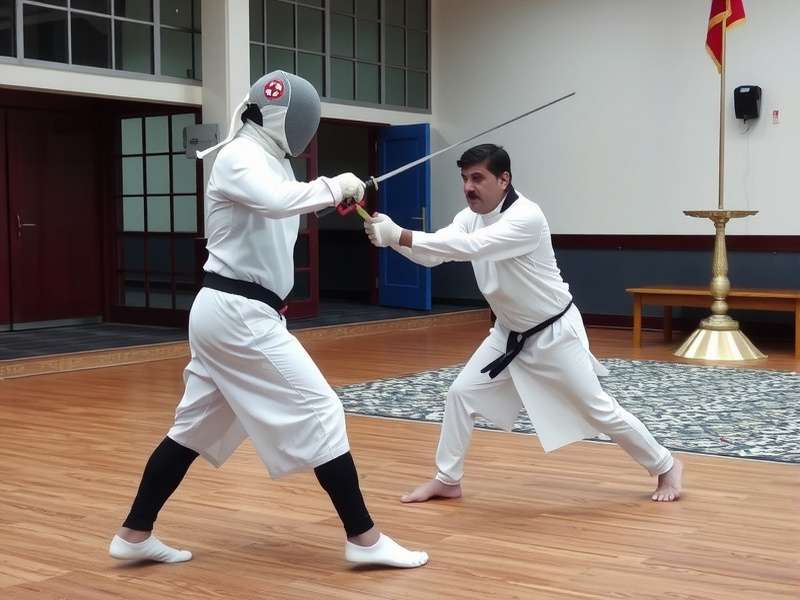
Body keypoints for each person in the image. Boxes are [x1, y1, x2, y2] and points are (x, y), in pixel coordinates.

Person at [108, 70, 428, 569]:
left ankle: (134, 534)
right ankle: (364, 539)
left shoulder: (271, 162)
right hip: (237, 312)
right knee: (322, 408)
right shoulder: (239, 155)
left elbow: (279, 208)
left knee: (193, 427)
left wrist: (334, 198)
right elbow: (277, 202)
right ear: (283, 118)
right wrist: (333, 184)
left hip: (235, 312)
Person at [364, 143, 683, 504]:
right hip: (508, 333)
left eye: (478, 178)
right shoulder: (468, 217)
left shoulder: (527, 217)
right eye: (465, 178)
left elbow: (471, 248)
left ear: (504, 179)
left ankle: (666, 465)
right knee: (461, 394)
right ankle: (448, 479)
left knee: (598, 409)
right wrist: (390, 240)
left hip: (554, 333)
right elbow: (435, 254)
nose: (469, 187)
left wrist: (398, 235)